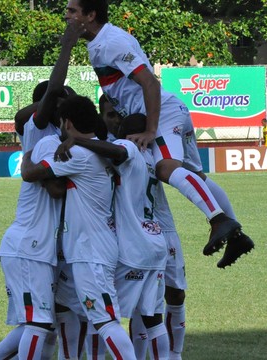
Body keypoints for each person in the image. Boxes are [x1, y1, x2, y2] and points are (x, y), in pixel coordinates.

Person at [63, 0, 254, 268]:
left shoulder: (112, 42)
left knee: (165, 168)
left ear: (90, 14)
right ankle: (236, 237)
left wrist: (151, 129)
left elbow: (150, 82)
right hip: (167, 109)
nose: (66, 16)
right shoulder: (100, 42)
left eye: (72, 11)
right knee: (194, 176)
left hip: (162, 113)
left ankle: (219, 220)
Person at [0, 21, 84, 360]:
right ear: (46, 106)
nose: (66, 105)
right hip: (28, 245)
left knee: (41, 322)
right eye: (61, 100)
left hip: (38, 246)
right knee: (39, 323)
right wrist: (67, 45)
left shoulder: (55, 134)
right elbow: (54, 190)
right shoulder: (39, 131)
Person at [22, 94, 137, 360]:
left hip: (90, 251)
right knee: (70, 307)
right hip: (92, 247)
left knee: (105, 321)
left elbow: (30, 174)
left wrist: (28, 152)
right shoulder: (99, 148)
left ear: (67, 123)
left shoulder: (78, 154)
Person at [96, 96, 187, 359]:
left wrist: (77, 141)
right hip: (155, 240)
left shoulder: (128, 146)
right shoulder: (151, 155)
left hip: (133, 244)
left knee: (104, 314)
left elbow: (119, 152)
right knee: (152, 317)